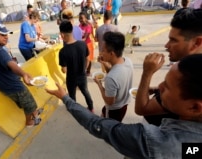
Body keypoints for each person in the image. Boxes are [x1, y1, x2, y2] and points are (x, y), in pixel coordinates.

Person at [46, 54, 202, 158]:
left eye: (166, 87)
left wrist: (65, 98)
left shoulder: (156, 142)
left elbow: (97, 124)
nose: (159, 87)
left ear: (195, 108)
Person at [135, 8, 202, 126]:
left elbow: (141, 108)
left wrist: (147, 73)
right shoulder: (192, 70)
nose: (166, 45)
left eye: (173, 40)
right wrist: (160, 89)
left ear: (196, 43)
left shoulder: (188, 75)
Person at [0, 20, 43, 127]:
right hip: (13, 85)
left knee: (27, 102)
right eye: (2, 34)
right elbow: (11, 64)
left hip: (3, 84)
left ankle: (35, 112)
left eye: (6, 34)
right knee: (29, 103)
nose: (6, 37)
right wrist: (24, 74)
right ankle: (29, 122)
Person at [94, 31, 133, 122]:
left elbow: (109, 101)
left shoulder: (110, 78)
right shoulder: (127, 61)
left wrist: (99, 84)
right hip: (124, 104)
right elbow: (116, 73)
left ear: (111, 53)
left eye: (103, 50)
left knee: (109, 131)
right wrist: (104, 63)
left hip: (114, 111)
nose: (101, 52)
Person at [58, 20, 94, 112]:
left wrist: (66, 70)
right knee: (85, 91)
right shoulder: (82, 44)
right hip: (82, 75)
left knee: (72, 95)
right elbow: (88, 59)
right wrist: (84, 69)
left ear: (62, 35)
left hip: (71, 78)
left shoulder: (63, 51)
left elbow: (64, 69)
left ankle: (75, 110)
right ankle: (91, 108)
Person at [79, 11, 94, 76]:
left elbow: (85, 38)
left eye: (82, 18)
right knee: (84, 58)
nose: (80, 20)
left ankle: (87, 71)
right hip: (82, 45)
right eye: (79, 18)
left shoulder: (88, 26)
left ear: (85, 18)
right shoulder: (79, 26)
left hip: (88, 44)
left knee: (88, 59)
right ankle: (85, 70)